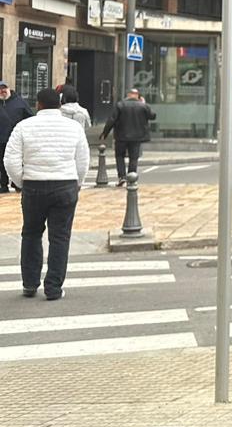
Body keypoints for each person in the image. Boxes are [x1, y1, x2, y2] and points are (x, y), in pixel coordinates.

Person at [5, 87, 90, 301]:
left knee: (31, 234)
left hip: (33, 185)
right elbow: (82, 160)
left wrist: (21, 182)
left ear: (38, 105)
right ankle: (53, 288)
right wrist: (78, 182)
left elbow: (10, 160)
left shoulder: (23, 126)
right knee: (60, 237)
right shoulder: (73, 127)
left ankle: (30, 283)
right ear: (60, 105)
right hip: (65, 184)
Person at [100, 87, 156, 185]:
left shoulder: (120, 105)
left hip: (121, 136)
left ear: (128, 95)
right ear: (138, 96)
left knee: (119, 156)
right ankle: (131, 178)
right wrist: (144, 104)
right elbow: (152, 116)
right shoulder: (143, 106)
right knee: (133, 158)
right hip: (137, 137)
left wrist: (105, 133)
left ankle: (122, 177)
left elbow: (112, 120)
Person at [0, 81, 33, 193]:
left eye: (4, 88)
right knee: (2, 163)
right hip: (1, 139)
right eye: (0, 89)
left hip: (17, 139)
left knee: (18, 162)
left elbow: (30, 118)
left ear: (8, 88)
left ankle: (17, 183)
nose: (2, 91)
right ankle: (3, 185)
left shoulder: (20, 102)